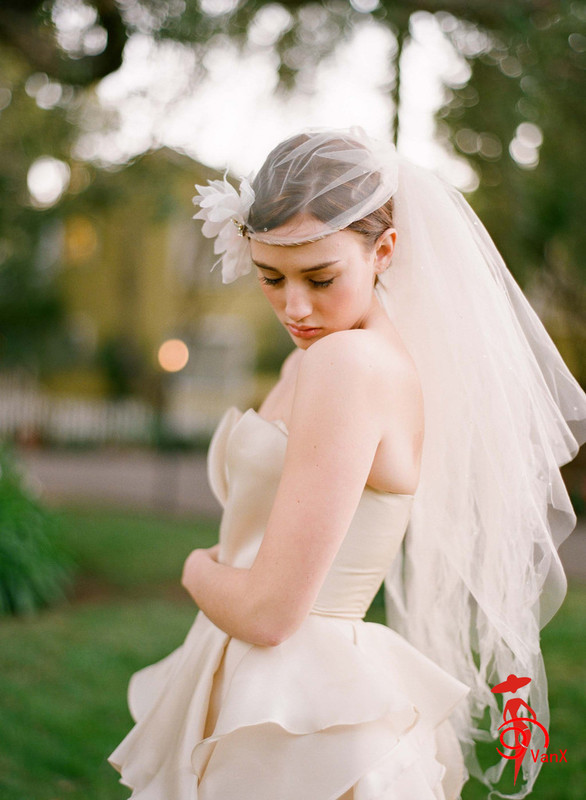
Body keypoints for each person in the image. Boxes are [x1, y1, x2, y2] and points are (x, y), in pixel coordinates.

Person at [108, 127, 586, 800]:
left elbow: (273, 614)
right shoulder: (326, 353)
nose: (294, 307)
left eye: (320, 277)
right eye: (271, 277)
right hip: (266, 677)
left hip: (296, 704)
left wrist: (194, 569)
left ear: (384, 251)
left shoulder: (349, 363)